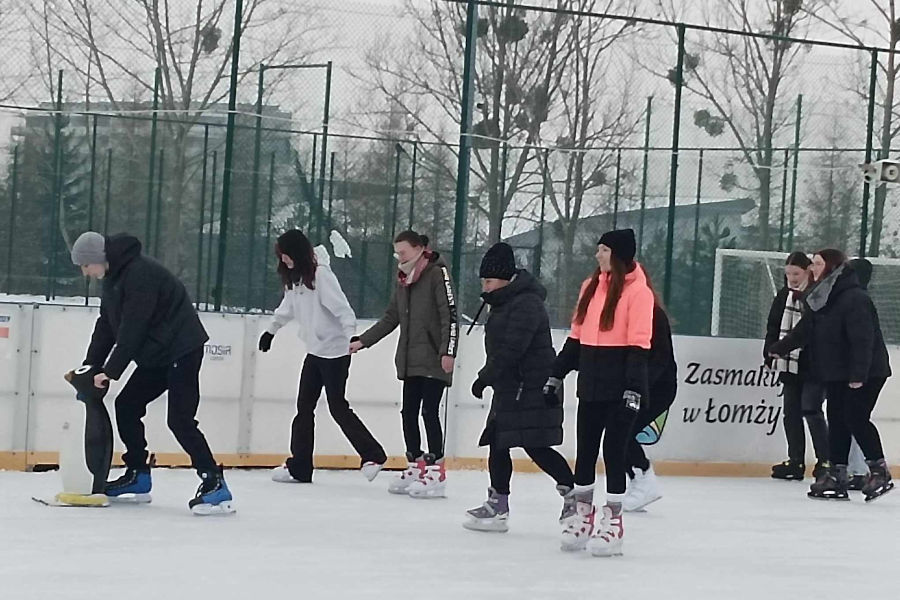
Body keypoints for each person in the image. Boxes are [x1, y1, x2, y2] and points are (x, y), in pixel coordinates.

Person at [70, 231, 234, 515]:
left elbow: (134, 328)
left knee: (180, 420)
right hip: (157, 352)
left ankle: (215, 484)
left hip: (181, 348)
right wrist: (89, 367)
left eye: (85, 265)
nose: (85, 272)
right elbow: (106, 326)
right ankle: (138, 475)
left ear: (97, 259)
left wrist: (110, 371)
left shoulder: (139, 274)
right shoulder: (113, 280)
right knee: (127, 405)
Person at [544, 228, 653, 557]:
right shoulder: (590, 288)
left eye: (603, 250)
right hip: (591, 384)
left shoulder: (639, 294)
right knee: (586, 451)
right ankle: (584, 515)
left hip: (621, 390)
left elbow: (639, 345)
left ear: (618, 254)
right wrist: (556, 374)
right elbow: (576, 340)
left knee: (614, 452)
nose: (597, 255)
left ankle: (614, 522)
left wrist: (633, 389)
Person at [463, 243, 575, 533]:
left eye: (488, 281)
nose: (484, 287)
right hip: (511, 385)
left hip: (532, 386)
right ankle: (498, 504)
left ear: (505, 278)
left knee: (536, 445)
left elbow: (513, 348)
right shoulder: (504, 302)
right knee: (499, 441)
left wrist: (485, 377)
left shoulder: (526, 304)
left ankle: (574, 496)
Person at [260, 229, 387, 484]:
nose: (283, 260)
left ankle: (373, 455)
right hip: (315, 351)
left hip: (336, 351)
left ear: (295, 253)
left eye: (285, 255)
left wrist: (352, 336)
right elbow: (287, 308)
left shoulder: (320, 276)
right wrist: (270, 331)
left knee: (337, 406)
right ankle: (300, 467)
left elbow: (342, 309)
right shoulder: (295, 279)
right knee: (304, 408)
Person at [770, 249, 893, 502]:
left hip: (867, 371)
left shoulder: (853, 298)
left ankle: (879, 470)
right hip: (837, 371)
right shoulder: (820, 297)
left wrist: (858, 374)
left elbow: (863, 339)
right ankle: (837, 474)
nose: (812, 267)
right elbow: (804, 331)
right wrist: (778, 349)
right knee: (837, 419)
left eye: (816, 263)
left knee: (855, 417)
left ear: (831, 267)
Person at [351, 230, 458, 498]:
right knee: (408, 412)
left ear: (420, 248)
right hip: (410, 360)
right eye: (397, 253)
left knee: (429, 412)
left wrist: (448, 351)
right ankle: (415, 464)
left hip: (434, 358)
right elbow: (391, 317)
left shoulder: (437, 273)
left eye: (404, 252)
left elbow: (450, 315)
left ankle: (436, 469)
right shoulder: (403, 280)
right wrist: (363, 341)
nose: (399, 257)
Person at [763, 251, 829, 481]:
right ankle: (795, 461)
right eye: (788, 273)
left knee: (811, 410)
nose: (791, 277)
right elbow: (773, 325)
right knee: (791, 412)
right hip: (789, 364)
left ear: (808, 271)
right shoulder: (784, 295)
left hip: (813, 364)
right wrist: (770, 351)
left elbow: (812, 330)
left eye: (796, 273)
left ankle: (825, 461)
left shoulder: (817, 294)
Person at [623, 265, 677, 512]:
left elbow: (661, 359)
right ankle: (638, 482)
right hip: (635, 385)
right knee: (618, 432)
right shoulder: (625, 312)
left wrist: (639, 387)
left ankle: (644, 477)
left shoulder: (655, 315)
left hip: (658, 387)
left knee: (624, 430)